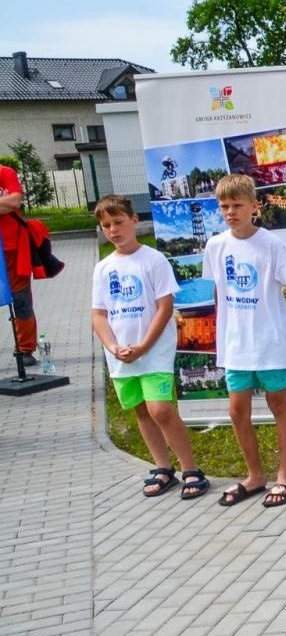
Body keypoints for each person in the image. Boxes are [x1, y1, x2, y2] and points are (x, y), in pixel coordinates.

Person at [203, 174, 286, 509]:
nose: (231, 212)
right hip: (236, 347)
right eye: (224, 206)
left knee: (279, 406)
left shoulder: (271, 245)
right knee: (237, 412)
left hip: (269, 344)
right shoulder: (216, 246)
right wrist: (220, 337)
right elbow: (220, 292)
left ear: (254, 206)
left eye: (237, 205)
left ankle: (285, 475)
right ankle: (254, 475)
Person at [91, 195, 209, 499]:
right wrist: (113, 346)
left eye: (119, 222)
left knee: (161, 409)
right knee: (142, 410)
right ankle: (162, 467)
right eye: (107, 225)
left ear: (133, 221)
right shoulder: (103, 268)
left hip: (152, 350)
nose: (114, 230)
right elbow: (99, 314)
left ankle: (191, 469)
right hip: (120, 356)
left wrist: (143, 346)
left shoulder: (153, 260)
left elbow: (165, 307)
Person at [0, 164, 38, 365]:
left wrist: (8, 203)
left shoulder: (5, 172)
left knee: (21, 298)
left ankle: (25, 349)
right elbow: (8, 203)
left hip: (13, 248)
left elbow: (14, 201)